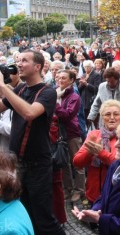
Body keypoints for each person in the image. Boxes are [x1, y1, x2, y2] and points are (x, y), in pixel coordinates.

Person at [0, 50, 64, 234]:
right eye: (18, 60)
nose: (19, 64)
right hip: (17, 161)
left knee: (43, 217)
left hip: (38, 164)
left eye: (24, 60)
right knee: (24, 211)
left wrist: (3, 86)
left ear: (37, 67)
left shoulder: (48, 91)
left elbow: (29, 112)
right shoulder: (20, 89)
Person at [73, 100, 120, 204]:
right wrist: (90, 152)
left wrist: (100, 152)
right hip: (94, 193)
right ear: (102, 117)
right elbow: (77, 162)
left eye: (116, 114)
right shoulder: (94, 134)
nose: (112, 117)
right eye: (107, 114)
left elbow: (118, 164)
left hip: (116, 194)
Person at [54, 69, 84, 203]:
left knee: (77, 162)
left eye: (63, 78)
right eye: (59, 77)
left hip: (71, 132)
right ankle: (67, 188)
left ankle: (79, 190)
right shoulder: (55, 93)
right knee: (63, 162)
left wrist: (54, 104)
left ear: (71, 80)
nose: (60, 80)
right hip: (58, 132)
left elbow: (67, 115)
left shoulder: (74, 96)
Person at [78, 60, 103, 125]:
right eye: (85, 67)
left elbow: (96, 89)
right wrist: (81, 84)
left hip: (91, 100)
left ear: (91, 67)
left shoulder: (96, 75)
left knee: (93, 120)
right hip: (83, 101)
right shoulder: (83, 75)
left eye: (88, 66)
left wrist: (87, 84)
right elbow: (79, 89)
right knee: (85, 119)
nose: (86, 68)